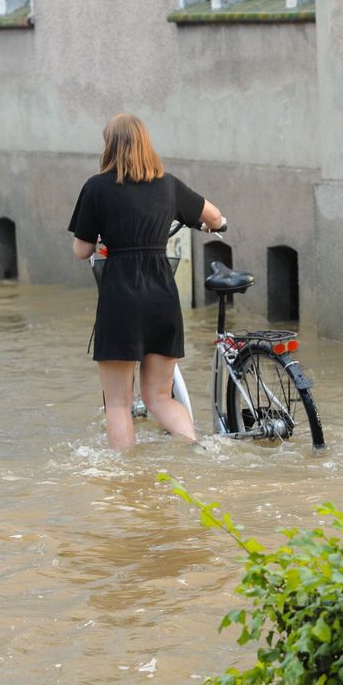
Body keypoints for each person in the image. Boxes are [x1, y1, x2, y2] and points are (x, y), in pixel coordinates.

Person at [69, 113, 225, 449]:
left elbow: (81, 250)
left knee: (119, 404)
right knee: (158, 398)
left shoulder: (96, 187)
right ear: (145, 143)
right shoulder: (168, 184)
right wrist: (219, 223)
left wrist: (98, 239)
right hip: (162, 296)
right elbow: (213, 216)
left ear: (109, 146)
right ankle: (193, 448)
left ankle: (127, 482)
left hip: (120, 298)